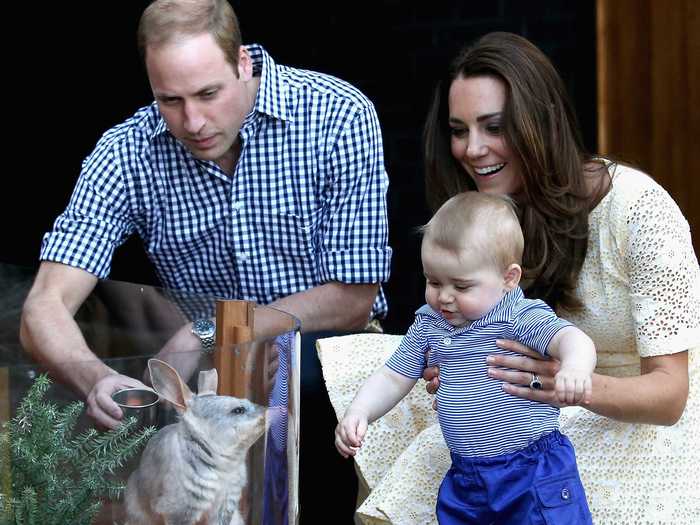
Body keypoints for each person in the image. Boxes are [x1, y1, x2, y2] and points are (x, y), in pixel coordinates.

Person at [19, 0, 391, 522]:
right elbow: (43, 307)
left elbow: (354, 296)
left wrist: (207, 331)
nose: (192, 122)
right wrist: (95, 378)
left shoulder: (336, 113)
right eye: (169, 100)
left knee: (301, 385)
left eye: (208, 94)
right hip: (207, 390)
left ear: (243, 63)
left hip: (330, 359)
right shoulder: (127, 153)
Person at [319, 31, 699, 524]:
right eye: (459, 130)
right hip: (521, 417)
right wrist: (458, 363)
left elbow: (669, 396)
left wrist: (559, 382)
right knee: (383, 381)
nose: (473, 149)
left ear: (538, 123)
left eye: (493, 127)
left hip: (635, 417)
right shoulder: (485, 215)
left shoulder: (639, 209)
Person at [335, 191, 595, 523]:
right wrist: (360, 411)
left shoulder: (517, 316)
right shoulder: (430, 322)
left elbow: (572, 338)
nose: (444, 297)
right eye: (433, 281)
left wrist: (575, 367)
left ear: (508, 279)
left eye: (461, 286)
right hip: (467, 477)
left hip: (531, 470)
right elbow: (393, 376)